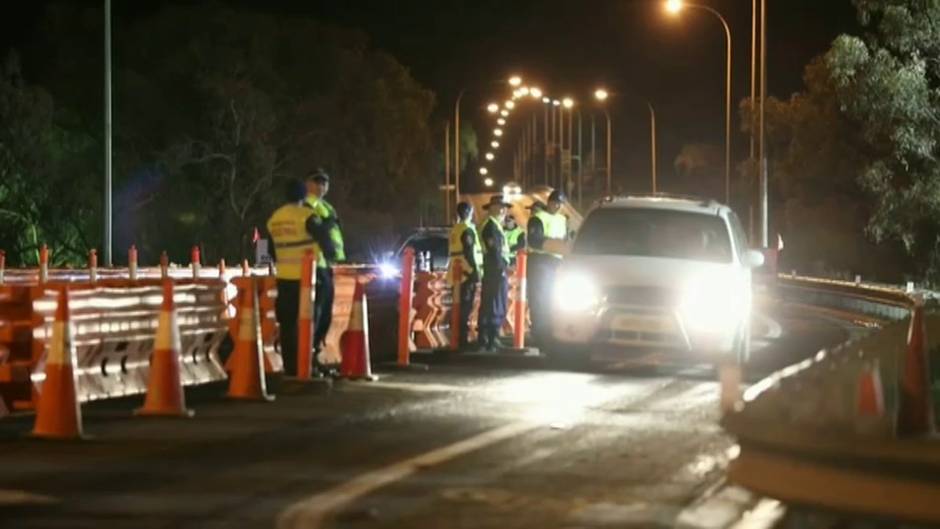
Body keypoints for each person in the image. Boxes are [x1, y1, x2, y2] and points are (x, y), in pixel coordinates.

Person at [266, 178, 320, 377]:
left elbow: (271, 250)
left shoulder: (275, 218)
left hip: (284, 277)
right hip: (306, 279)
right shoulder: (307, 215)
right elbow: (324, 240)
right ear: (303, 195)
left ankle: (290, 367)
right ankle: (306, 365)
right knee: (307, 321)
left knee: (287, 324)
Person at [304, 169, 345, 371]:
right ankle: (310, 355)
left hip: (326, 264)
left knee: (324, 313)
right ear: (308, 184)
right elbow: (319, 231)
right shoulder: (308, 204)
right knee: (317, 314)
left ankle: (316, 353)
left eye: (325, 182)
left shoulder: (326, 206)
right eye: (317, 181)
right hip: (314, 265)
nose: (321, 186)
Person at [526, 189, 568, 344]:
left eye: (561, 204)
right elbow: (534, 240)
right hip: (541, 262)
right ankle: (539, 332)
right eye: (555, 202)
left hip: (557, 263)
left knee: (553, 299)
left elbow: (566, 241)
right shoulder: (538, 218)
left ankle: (551, 332)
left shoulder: (563, 219)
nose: (557, 206)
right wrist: (553, 244)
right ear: (549, 202)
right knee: (540, 299)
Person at [478, 195, 512, 352]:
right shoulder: (490, 226)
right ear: (491, 208)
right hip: (494, 269)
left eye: (504, 207)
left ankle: (491, 338)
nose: (503, 210)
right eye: (500, 206)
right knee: (494, 304)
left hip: (496, 268)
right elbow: (494, 250)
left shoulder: (496, 225)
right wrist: (501, 270)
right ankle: (489, 339)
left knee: (494, 303)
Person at [447, 201, 483, 350]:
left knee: (459, 306)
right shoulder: (467, 229)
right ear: (469, 212)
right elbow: (469, 252)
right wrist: (473, 273)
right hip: (465, 273)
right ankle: (462, 339)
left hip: (455, 272)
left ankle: (458, 338)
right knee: (465, 307)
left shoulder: (455, 229)